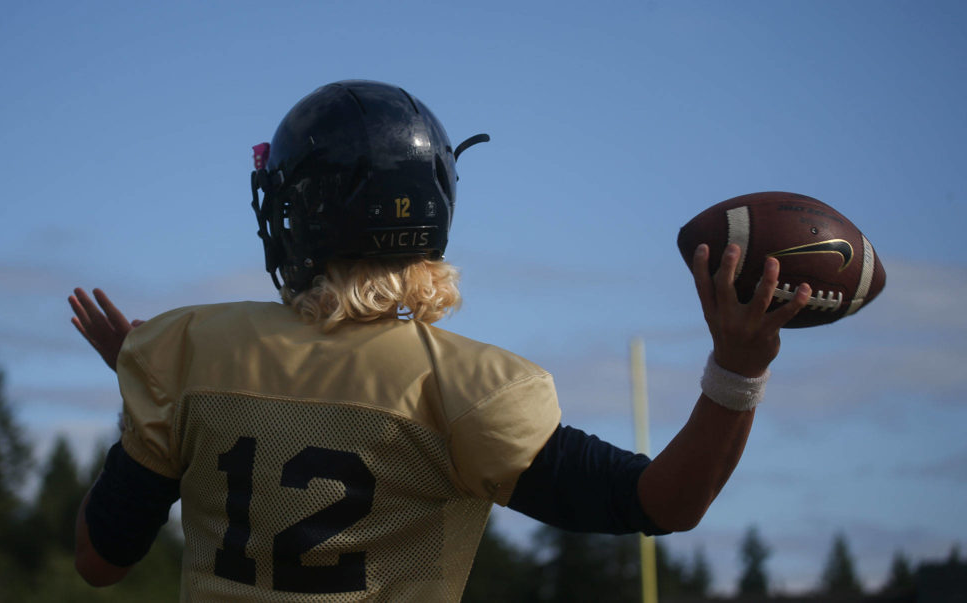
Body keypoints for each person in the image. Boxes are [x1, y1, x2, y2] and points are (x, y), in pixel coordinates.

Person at [69, 80, 811, 601]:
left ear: (301, 212)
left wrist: (149, 401)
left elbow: (100, 561)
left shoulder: (188, 347)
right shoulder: (468, 389)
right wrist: (737, 371)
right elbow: (660, 502)